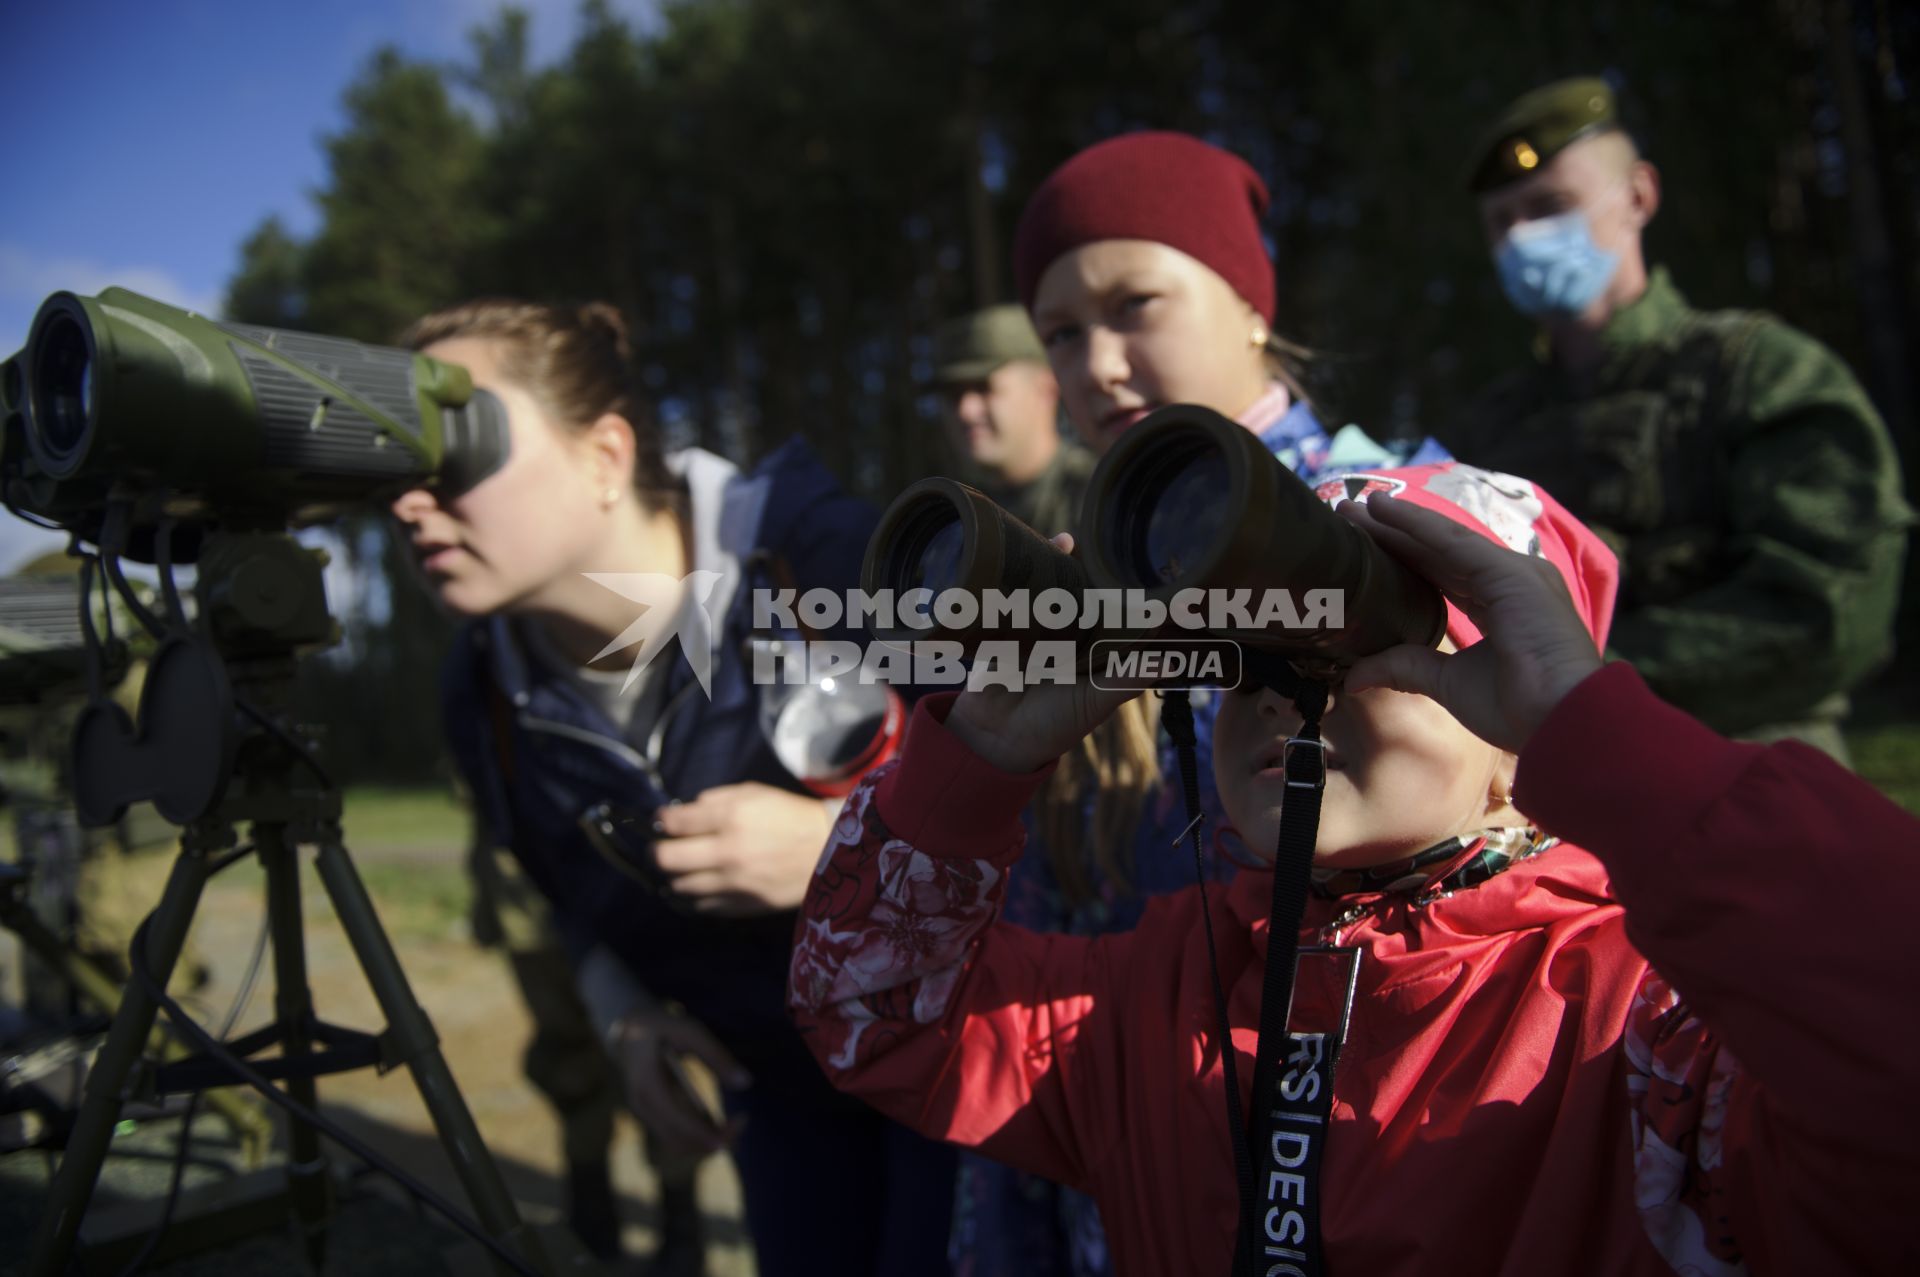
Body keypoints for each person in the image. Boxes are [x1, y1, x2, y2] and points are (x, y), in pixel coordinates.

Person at [788, 459, 1919, 1276]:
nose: (1289, 688)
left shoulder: (1646, 1027)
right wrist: (979, 758)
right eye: (1249, 659)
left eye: (1364, 650)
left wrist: (1602, 738)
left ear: (1516, 719)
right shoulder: (1162, 987)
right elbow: (873, 1017)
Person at [941, 129, 1451, 1277]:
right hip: (1118, 1149)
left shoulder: (1412, 524)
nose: (1098, 364)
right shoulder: (1091, 567)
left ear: (1252, 304)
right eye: (1062, 332)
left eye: (1136, 305)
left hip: (1356, 1157)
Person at [390, 299, 953, 1277]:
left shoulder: (833, 557)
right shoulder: (479, 694)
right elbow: (562, 890)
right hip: (775, 1095)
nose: (408, 502)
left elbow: (1059, 816)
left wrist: (844, 847)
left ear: (607, 454)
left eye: (458, 446)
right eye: (399, 467)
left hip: (966, 1072)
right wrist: (623, 1005)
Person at [1442, 75, 1911, 760]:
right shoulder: (1487, 428)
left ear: (1638, 195)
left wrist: (1583, 683)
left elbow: (1828, 612)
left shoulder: (1759, 371)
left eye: (1548, 207)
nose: (1522, 238)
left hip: (1746, 773)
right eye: (1500, 222)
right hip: (1547, 807)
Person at [931, 303, 1093, 540]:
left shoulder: (1100, 496)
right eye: (953, 395)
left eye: (983, 387)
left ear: (1045, 389)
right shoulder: (950, 519)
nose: (965, 410)